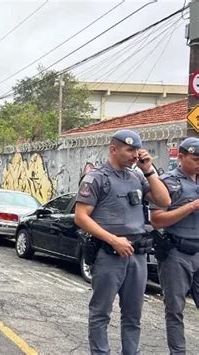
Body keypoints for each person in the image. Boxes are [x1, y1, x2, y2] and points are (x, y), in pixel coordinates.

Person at [74, 129, 171, 355]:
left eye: (137, 149)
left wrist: (149, 171)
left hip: (136, 255)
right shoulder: (96, 178)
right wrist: (112, 239)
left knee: (133, 315)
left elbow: (164, 200)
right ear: (113, 149)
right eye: (130, 150)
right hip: (108, 254)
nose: (135, 155)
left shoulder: (137, 177)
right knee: (101, 313)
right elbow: (81, 217)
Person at [150, 137, 199, 355]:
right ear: (180, 157)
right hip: (176, 253)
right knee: (175, 310)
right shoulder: (166, 182)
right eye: (195, 159)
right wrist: (192, 206)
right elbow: (157, 219)